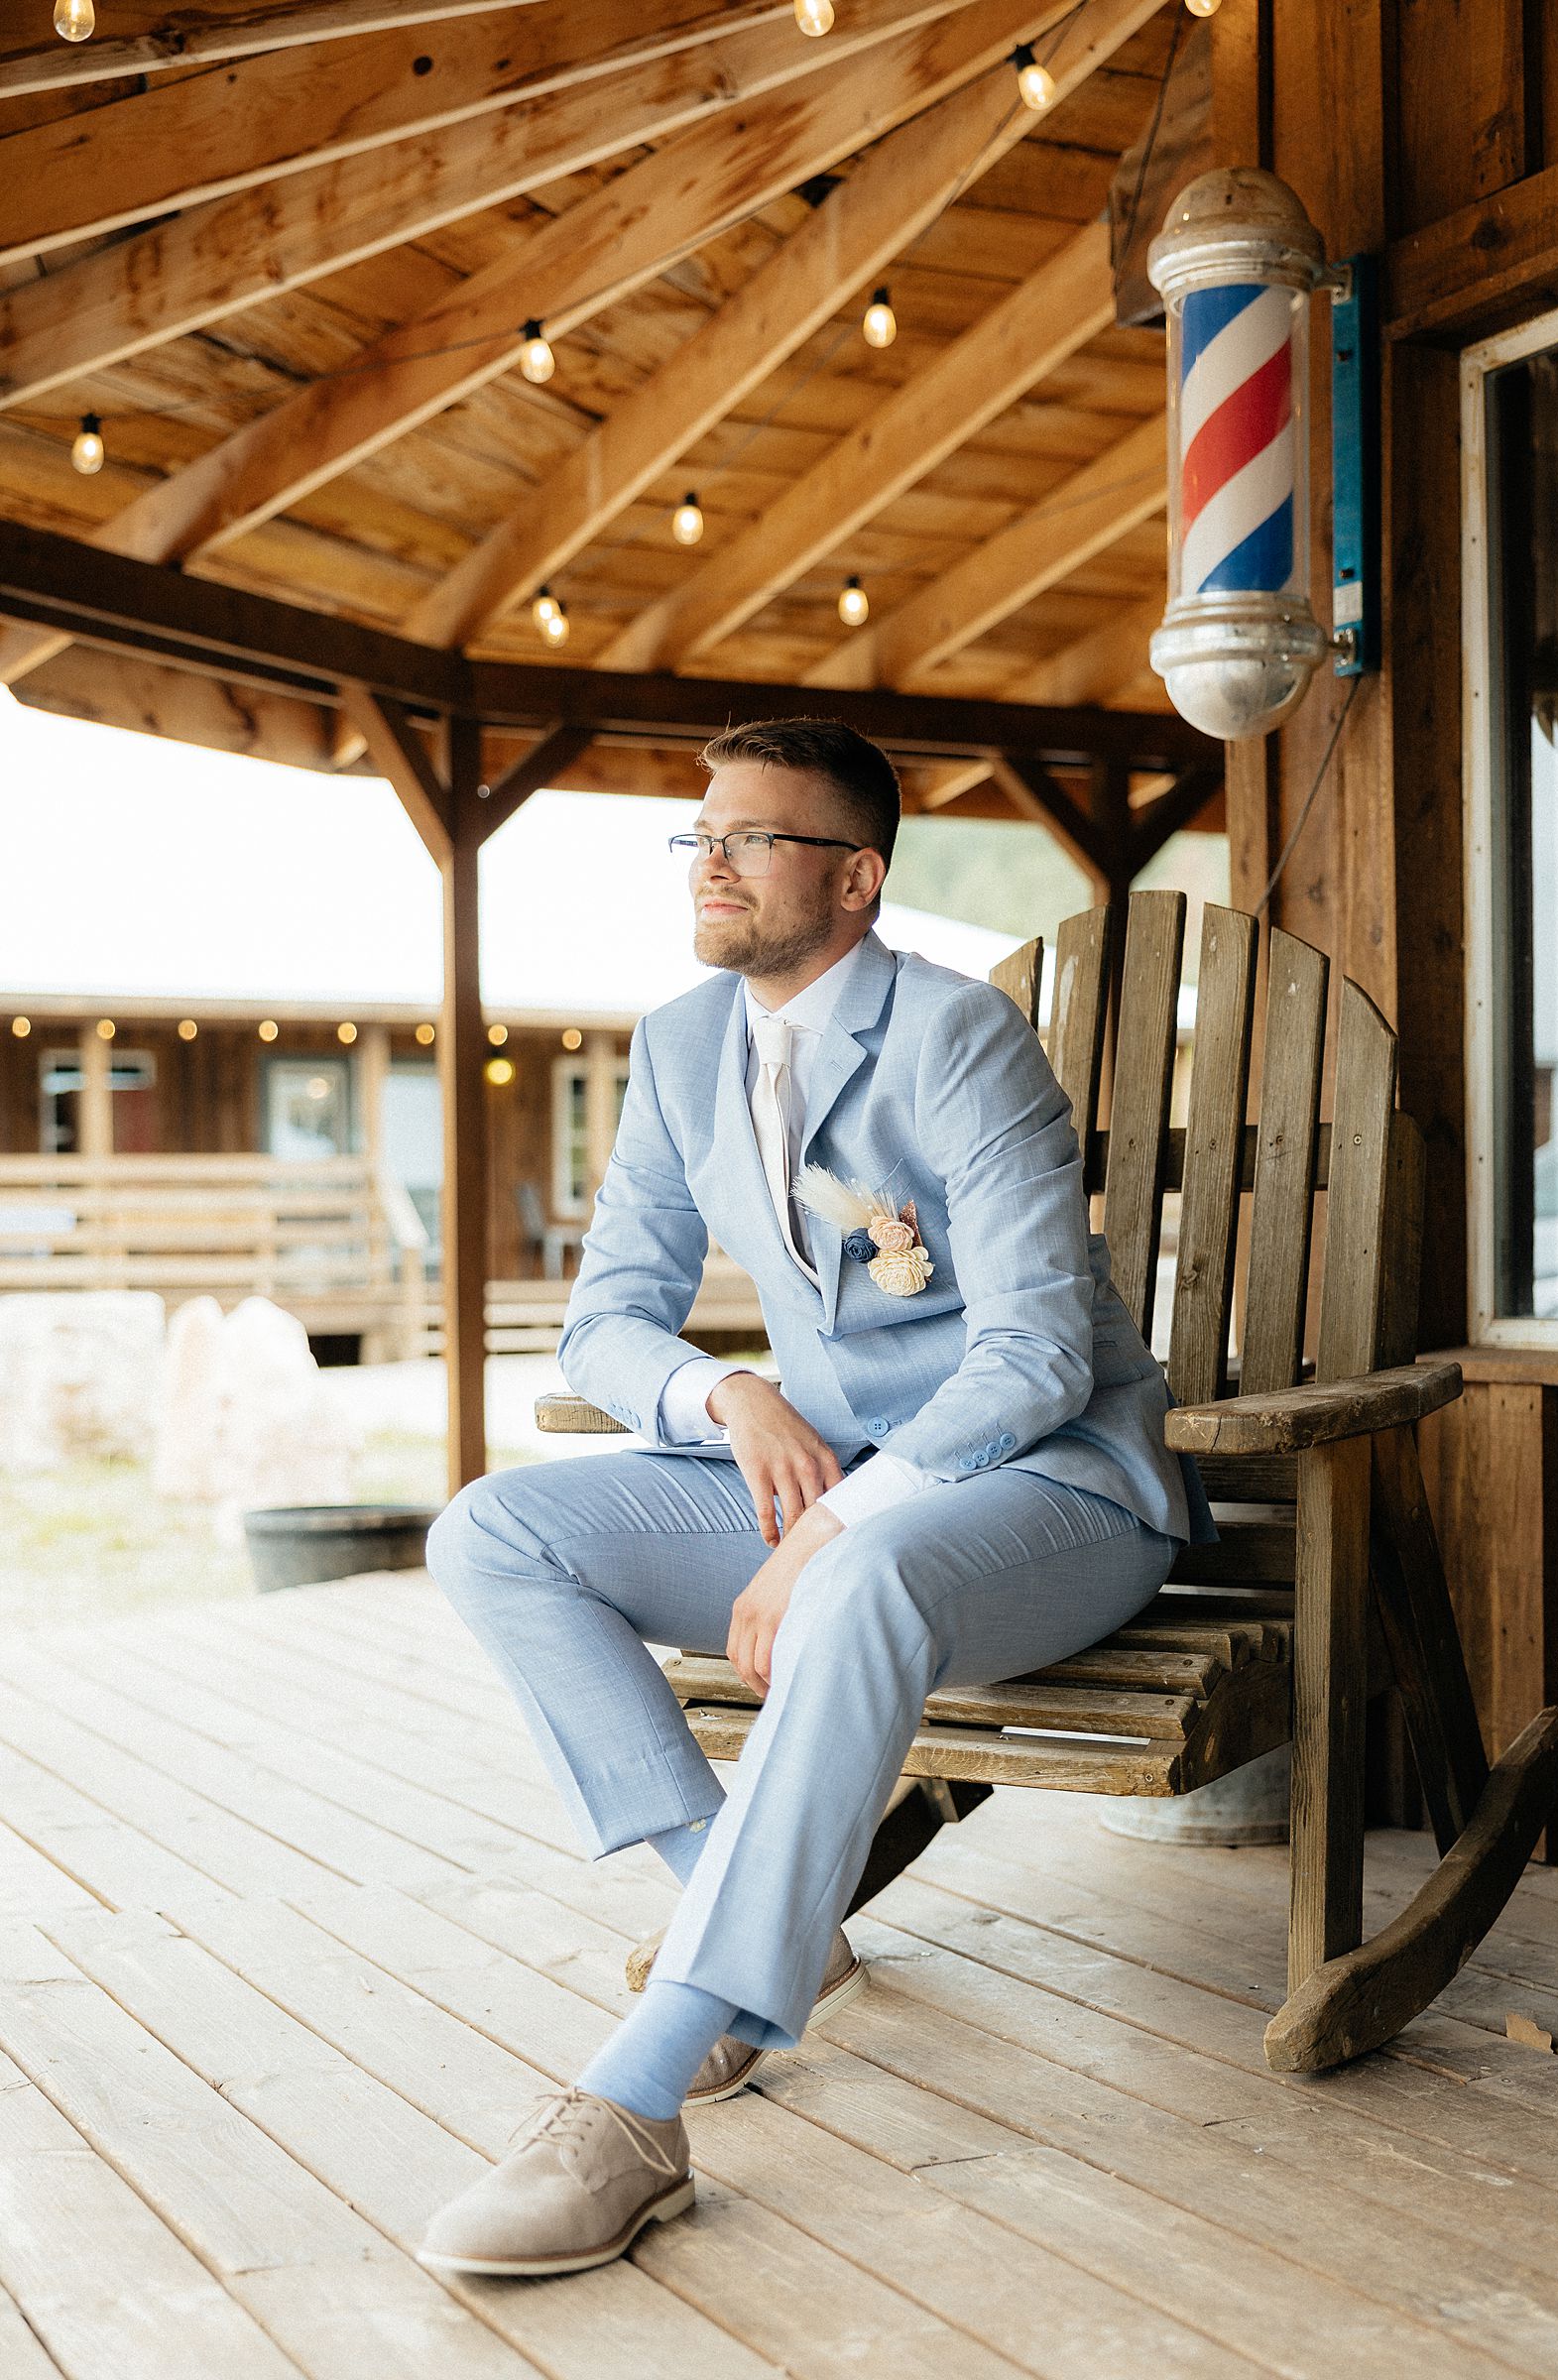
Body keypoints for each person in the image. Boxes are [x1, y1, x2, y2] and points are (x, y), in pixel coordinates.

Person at [420, 716, 1212, 2279]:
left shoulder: (955, 1038)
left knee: (856, 1578)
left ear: (853, 880)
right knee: (493, 1530)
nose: (706, 859)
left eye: (750, 837)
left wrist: (845, 1522)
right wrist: (732, 1392)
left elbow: (1043, 1351)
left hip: (1054, 1496)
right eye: (696, 833)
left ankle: (640, 2099)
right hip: (831, 1485)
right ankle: (747, 1910)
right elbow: (605, 1318)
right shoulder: (680, 1045)